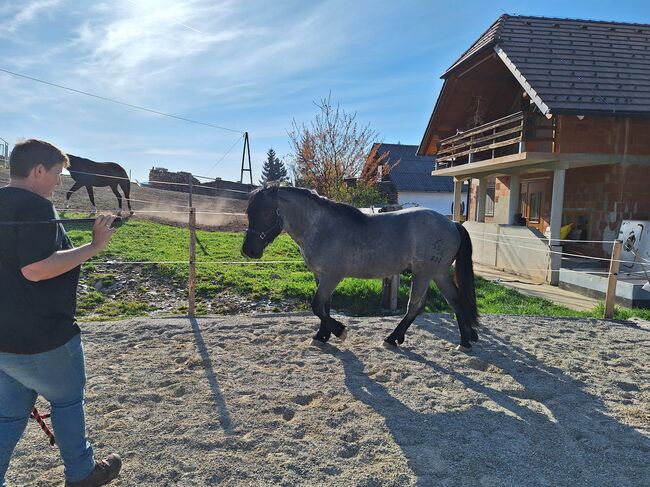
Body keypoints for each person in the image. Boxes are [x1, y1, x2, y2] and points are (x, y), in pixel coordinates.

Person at [0, 139, 121, 487]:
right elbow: (35, 269)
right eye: (55, 174)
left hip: (4, 339)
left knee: (7, 417)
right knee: (68, 401)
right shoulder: (35, 207)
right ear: (39, 170)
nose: (58, 182)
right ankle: (81, 472)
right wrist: (94, 246)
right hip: (43, 334)